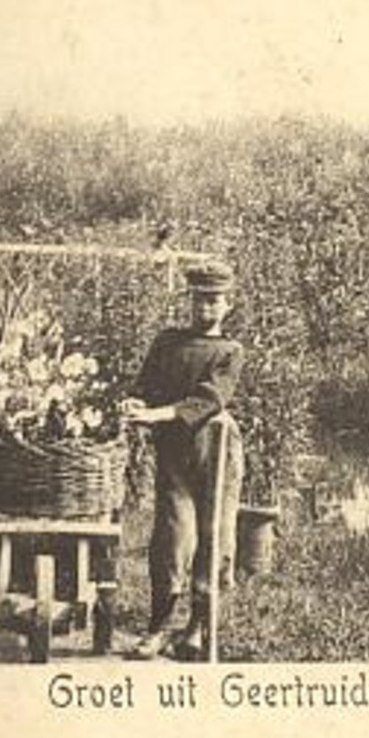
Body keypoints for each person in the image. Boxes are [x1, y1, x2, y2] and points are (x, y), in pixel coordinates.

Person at [121, 260, 244, 661]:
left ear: (228, 305)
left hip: (216, 448)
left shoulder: (229, 351)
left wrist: (156, 415)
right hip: (175, 451)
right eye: (199, 301)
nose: (205, 309)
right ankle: (158, 629)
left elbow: (209, 400)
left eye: (213, 301)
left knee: (215, 537)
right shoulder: (168, 343)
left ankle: (197, 629)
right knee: (173, 538)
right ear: (189, 301)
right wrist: (137, 401)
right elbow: (148, 385)